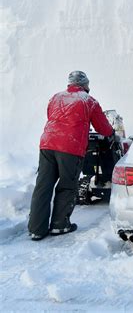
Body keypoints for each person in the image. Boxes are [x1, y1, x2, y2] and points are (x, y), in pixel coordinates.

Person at [28, 71, 114, 240]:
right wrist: (111, 133)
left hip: (47, 144)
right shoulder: (88, 101)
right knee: (67, 186)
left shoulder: (56, 97)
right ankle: (60, 225)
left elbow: (52, 117)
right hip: (70, 147)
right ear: (85, 85)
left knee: (43, 186)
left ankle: (36, 229)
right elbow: (103, 128)